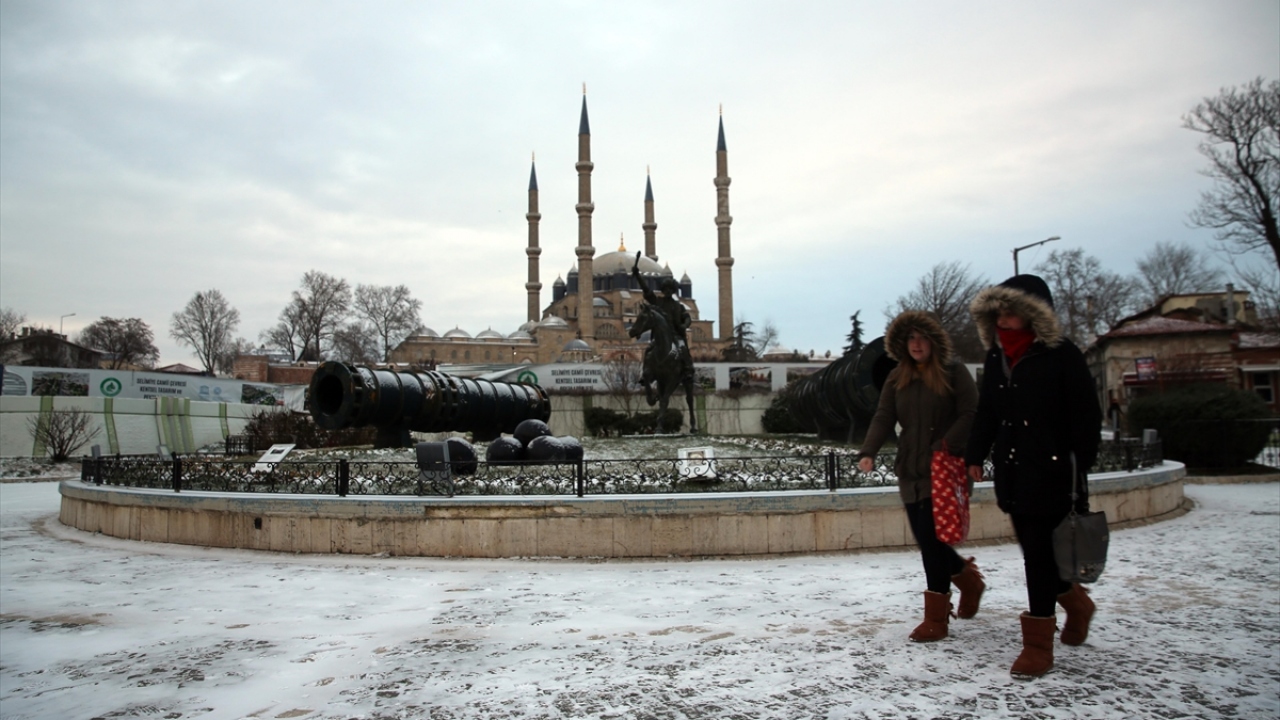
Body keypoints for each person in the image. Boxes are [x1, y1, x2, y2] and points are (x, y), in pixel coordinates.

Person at [963, 274, 1102, 679]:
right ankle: (1076, 602)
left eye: (1012, 311)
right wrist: (976, 452)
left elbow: (1085, 415)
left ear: (1032, 313)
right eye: (999, 312)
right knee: (1037, 552)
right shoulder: (996, 357)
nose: (1004, 319)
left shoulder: (1062, 354)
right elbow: (989, 409)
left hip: (1054, 469)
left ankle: (1037, 644)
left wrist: (1079, 467)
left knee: (1040, 555)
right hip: (1014, 467)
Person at [856, 310, 983, 643]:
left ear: (933, 341)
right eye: (910, 338)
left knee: (932, 541)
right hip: (910, 469)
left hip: (943, 469)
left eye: (922, 338)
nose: (916, 344)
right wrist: (868, 451)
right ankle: (966, 579)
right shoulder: (898, 376)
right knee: (927, 539)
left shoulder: (954, 372)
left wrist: (947, 444)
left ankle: (937, 619)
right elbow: (884, 416)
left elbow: (971, 411)